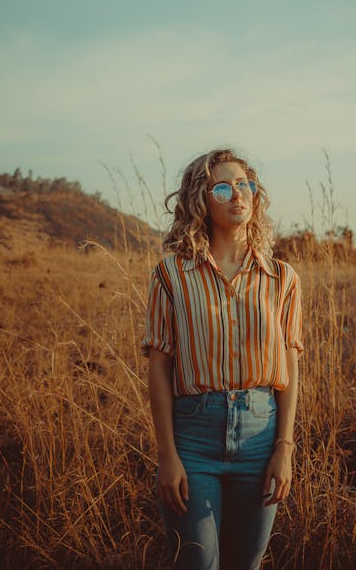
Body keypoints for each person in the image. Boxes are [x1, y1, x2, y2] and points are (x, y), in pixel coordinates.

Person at [142, 148, 303, 570]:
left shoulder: (282, 278)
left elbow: (290, 368)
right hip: (193, 437)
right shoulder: (172, 273)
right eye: (222, 186)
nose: (238, 194)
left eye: (245, 184)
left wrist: (284, 449)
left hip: (260, 435)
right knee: (196, 562)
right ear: (201, 200)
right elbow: (159, 368)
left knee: (245, 564)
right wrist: (167, 455)